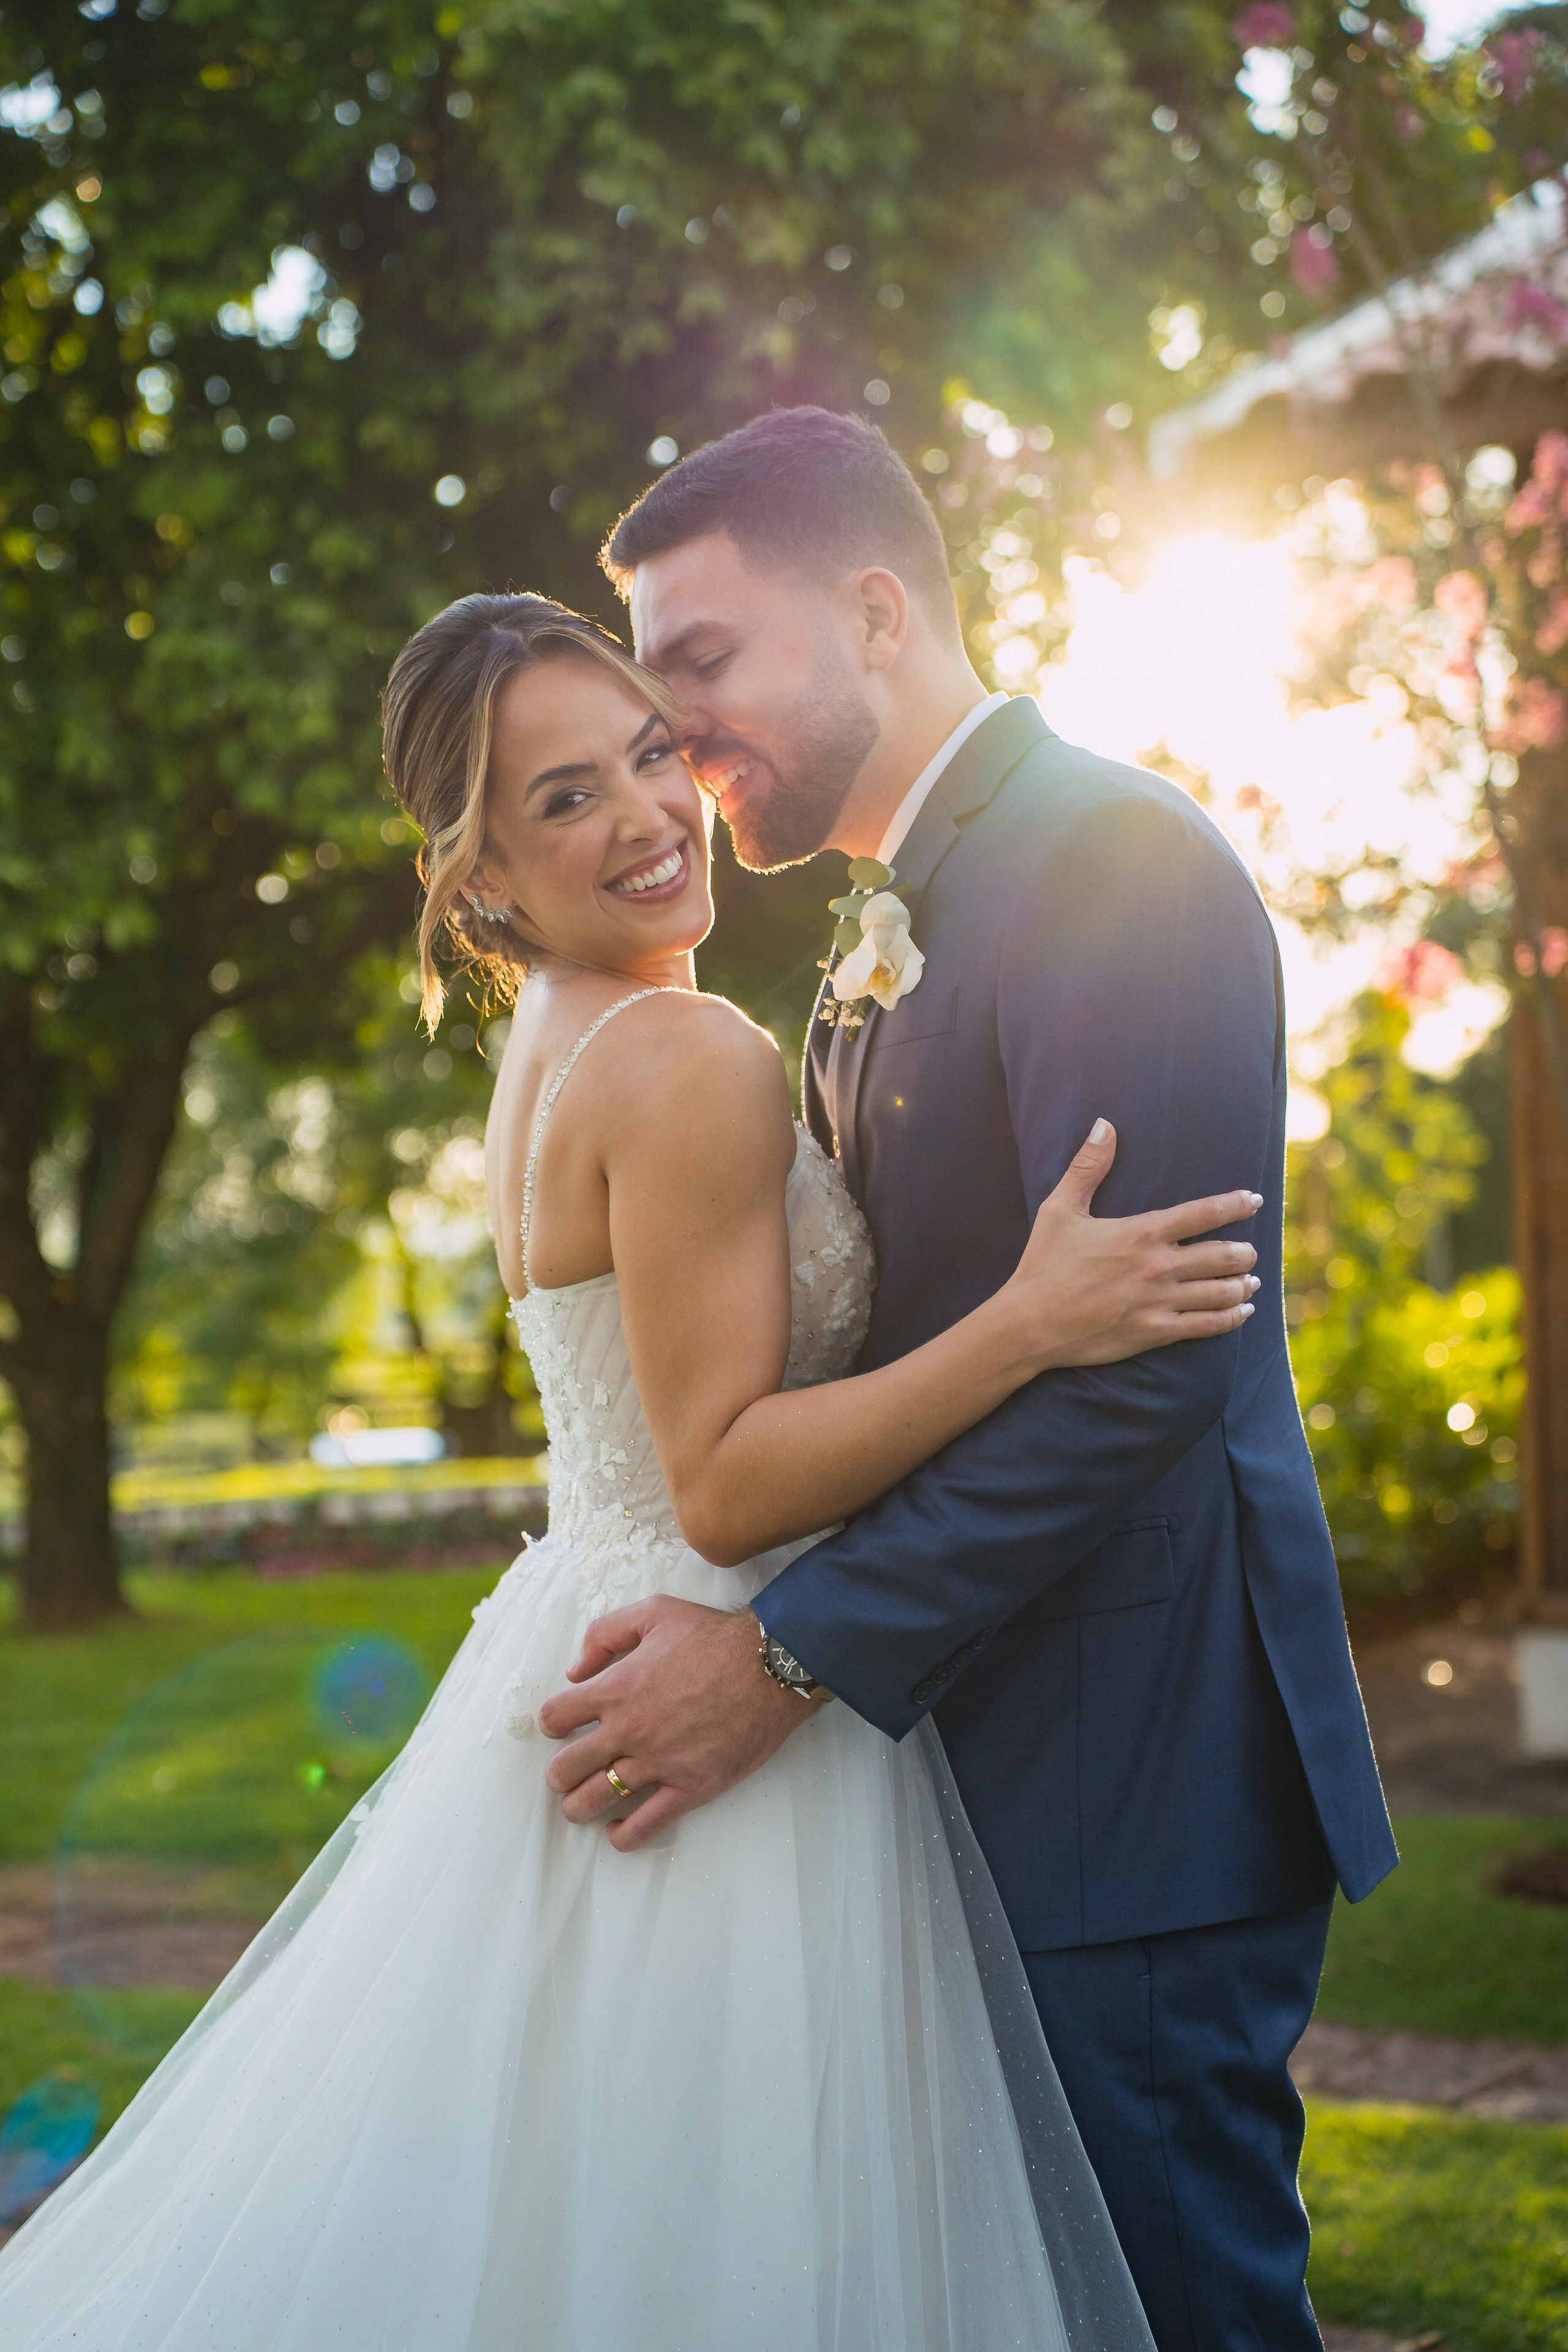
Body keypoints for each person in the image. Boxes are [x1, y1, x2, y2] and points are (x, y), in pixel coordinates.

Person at [0, 589, 1260, 2351]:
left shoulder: (555, 1050)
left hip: (589, 1629)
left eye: (653, 752)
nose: (653, 813)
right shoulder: (679, 1052)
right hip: (715, 1681)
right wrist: (1030, 1321)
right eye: (568, 797)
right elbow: (730, 1481)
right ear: (488, 877)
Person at [540, 407, 1400, 2352]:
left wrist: (783, 1660)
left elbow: (1145, 1371)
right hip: (985, 1756)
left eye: (702, 670)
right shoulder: (884, 922)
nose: (677, 743)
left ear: (871, 614)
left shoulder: (1111, 858)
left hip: (1136, 1774)